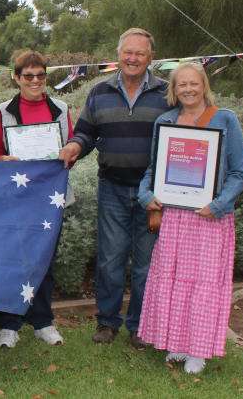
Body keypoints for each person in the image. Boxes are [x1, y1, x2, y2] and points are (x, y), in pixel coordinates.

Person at [58, 28, 172, 349]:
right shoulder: (99, 92)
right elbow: (86, 133)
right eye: (128, 52)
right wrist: (74, 148)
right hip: (112, 188)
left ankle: (139, 325)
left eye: (140, 53)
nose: (133, 58)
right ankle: (107, 323)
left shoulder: (167, 92)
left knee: (146, 263)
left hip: (153, 194)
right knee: (110, 260)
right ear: (118, 54)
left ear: (151, 58)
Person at [135, 62, 243, 374]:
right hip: (174, 218)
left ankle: (198, 350)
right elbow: (154, 170)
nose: (188, 89)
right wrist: (147, 196)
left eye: (193, 83)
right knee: (172, 282)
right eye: (181, 84)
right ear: (173, 89)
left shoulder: (224, 119)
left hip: (209, 218)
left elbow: (240, 172)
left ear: (204, 85)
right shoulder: (166, 121)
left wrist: (220, 204)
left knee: (204, 284)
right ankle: (176, 343)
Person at [0, 50, 69, 348]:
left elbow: (70, 147)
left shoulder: (60, 108)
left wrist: (66, 155)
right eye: (28, 76)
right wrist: (3, 158)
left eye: (40, 75)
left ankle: (43, 322)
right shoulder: (3, 110)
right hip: (16, 198)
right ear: (16, 78)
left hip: (49, 198)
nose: (35, 81)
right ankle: (11, 323)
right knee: (15, 260)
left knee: (45, 260)